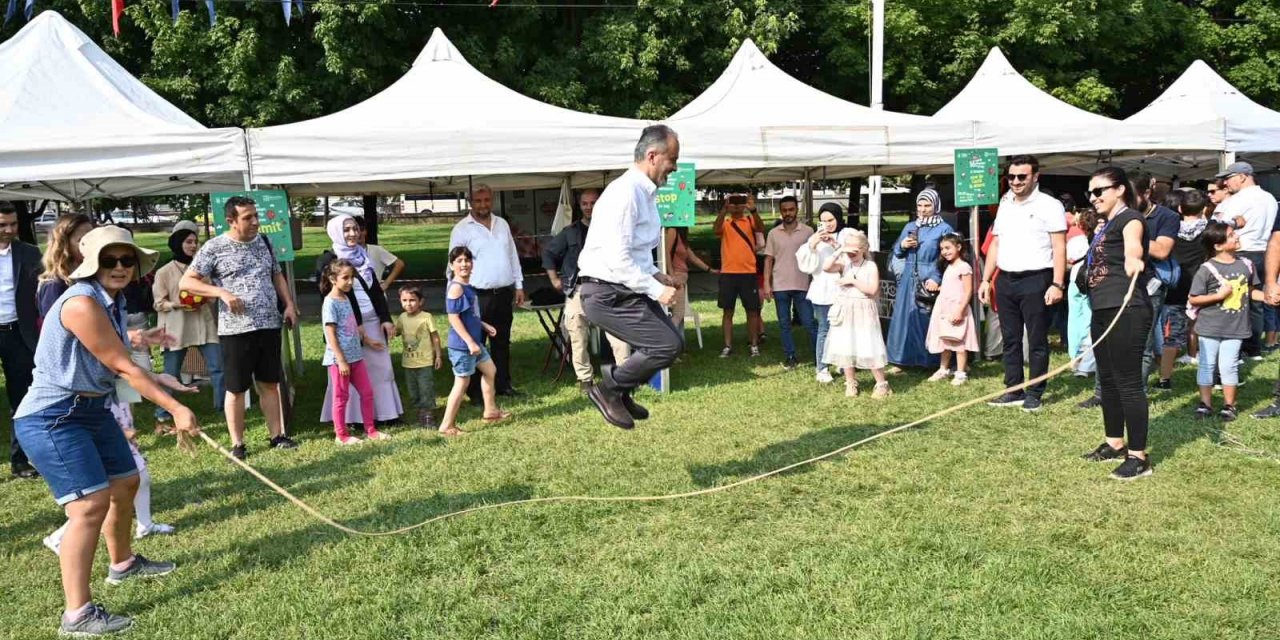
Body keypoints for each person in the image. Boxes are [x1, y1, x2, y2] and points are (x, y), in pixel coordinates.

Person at [14, 225, 199, 636]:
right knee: (88, 507)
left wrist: (157, 377)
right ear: (91, 264)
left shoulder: (111, 301)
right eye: (109, 260)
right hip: (54, 416)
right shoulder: (81, 303)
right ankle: (77, 615)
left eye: (127, 260)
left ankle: (123, 563)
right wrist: (175, 409)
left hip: (92, 408)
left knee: (126, 481)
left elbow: (110, 361)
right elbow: (122, 365)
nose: (119, 267)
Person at [577, 124, 684, 430]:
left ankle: (620, 392)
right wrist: (655, 290)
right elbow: (617, 258)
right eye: (672, 160)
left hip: (622, 288)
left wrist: (656, 275)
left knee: (672, 342)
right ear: (652, 156)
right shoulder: (626, 193)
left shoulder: (644, 193)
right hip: (606, 293)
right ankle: (608, 390)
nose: (675, 168)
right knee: (665, 345)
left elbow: (635, 252)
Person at [180, 196, 299, 460]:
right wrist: (221, 292)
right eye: (248, 218)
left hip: (268, 324)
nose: (255, 222)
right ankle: (238, 444)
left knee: (270, 383)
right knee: (236, 388)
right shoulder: (214, 247)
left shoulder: (264, 242)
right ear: (231, 221)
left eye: (256, 216)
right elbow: (187, 282)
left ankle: (277, 436)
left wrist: (289, 304)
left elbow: (276, 274)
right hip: (236, 330)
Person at [1078, 167, 1153, 481]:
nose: (1093, 198)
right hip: (1103, 307)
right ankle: (1114, 441)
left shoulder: (1130, 219)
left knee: (1128, 383)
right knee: (1107, 379)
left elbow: (1133, 244)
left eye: (1099, 191)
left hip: (1127, 309)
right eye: (1090, 193)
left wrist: (1134, 259)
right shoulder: (1105, 224)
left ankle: (1138, 457)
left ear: (1120, 189)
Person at [979, 155, 1067, 413]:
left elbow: (1059, 247)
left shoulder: (1050, 205)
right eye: (1011, 177)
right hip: (1006, 279)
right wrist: (986, 279)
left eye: (1022, 176)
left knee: (1037, 339)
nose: (1016, 181)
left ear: (1035, 176)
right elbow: (996, 243)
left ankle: (1035, 392)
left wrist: (1057, 284)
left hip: (1036, 279)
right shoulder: (1005, 203)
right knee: (1010, 338)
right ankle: (1013, 389)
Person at [318, 215, 404, 429]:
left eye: (355, 228)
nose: (352, 233)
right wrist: (356, 326)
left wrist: (385, 318)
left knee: (381, 368)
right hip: (347, 327)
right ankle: (352, 418)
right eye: (346, 230)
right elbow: (331, 298)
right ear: (336, 232)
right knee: (349, 371)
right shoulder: (328, 260)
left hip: (373, 321)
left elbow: (376, 291)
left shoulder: (362, 256)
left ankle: (385, 413)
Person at [543, 188, 631, 390]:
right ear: (580, 205)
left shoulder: (613, 229)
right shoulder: (570, 232)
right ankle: (585, 379)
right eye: (585, 203)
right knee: (577, 335)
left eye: (593, 203)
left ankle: (626, 375)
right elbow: (548, 253)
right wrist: (554, 279)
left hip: (607, 287)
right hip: (578, 289)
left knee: (618, 333)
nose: (589, 207)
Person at [447, 183, 524, 399]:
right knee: (475, 341)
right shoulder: (462, 229)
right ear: (470, 202)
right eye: (478, 201)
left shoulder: (502, 224)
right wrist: (455, 292)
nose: (483, 204)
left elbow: (512, 255)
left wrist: (519, 284)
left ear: (493, 200)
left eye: (487, 200)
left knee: (502, 341)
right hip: (475, 295)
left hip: (503, 293)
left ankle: (503, 385)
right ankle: (474, 392)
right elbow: (453, 263)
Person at [1188, 222, 1264, 421]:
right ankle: (1205, 403)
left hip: (1236, 326)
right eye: (1231, 235)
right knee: (1207, 365)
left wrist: (1266, 297)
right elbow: (1194, 298)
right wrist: (1218, 296)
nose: (1236, 236)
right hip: (1210, 327)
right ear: (1218, 245)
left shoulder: (1246, 265)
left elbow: (1249, 291)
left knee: (1229, 365)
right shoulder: (1206, 269)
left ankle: (1230, 405)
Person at [152, 226, 224, 433]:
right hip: (176, 327)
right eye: (188, 242)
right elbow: (158, 303)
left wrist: (207, 296)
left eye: (195, 242)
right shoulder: (164, 271)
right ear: (178, 244)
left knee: (218, 368)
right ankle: (163, 411)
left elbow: (211, 295)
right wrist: (176, 304)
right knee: (171, 373)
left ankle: (222, 406)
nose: (193, 246)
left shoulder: (200, 270)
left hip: (203, 325)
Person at [438, 246, 510, 436]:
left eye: (467, 260)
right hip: (463, 346)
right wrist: (470, 342)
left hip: (475, 343)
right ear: (451, 265)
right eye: (459, 261)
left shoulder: (467, 286)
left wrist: (483, 325)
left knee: (490, 370)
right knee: (462, 383)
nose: (464, 264)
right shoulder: (456, 288)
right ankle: (447, 425)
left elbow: (469, 314)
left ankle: (491, 411)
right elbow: (454, 318)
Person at [320, 259, 390, 444]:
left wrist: (367, 340)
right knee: (341, 397)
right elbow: (330, 334)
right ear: (333, 279)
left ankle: (371, 430)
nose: (350, 281)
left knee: (367, 392)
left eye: (352, 277)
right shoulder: (330, 303)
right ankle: (341, 435)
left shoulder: (346, 298)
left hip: (356, 357)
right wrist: (341, 360)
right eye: (345, 278)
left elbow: (351, 326)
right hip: (340, 361)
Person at [1214, 162, 1278, 359]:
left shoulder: (1236, 200)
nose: (1226, 183)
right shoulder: (1270, 198)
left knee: (1235, 301)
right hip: (1264, 252)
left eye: (1228, 178)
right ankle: (1254, 348)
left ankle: (1238, 347)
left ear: (1242, 176)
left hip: (1241, 252)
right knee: (1256, 303)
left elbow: (1218, 225)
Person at [888, 188, 954, 370]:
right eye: (920, 205)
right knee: (905, 319)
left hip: (929, 277)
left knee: (927, 318)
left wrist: (936, 278)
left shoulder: (944, 228)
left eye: (927, 205)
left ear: (936, 206)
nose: (923, 209)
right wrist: (902, 245)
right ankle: (902, 359)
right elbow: (897, 253)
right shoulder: (910, 226)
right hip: (908, 277)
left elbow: (947, 256)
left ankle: (929, 361)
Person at [0, 203, 43, 479]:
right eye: (2, 225)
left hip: (18, 333)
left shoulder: (29, 253)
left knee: (22, 397)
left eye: (13, 224)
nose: (9, 230)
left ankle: (20, 460)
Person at [821, 230, 890, 398]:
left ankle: (881, 383)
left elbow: (872, 290)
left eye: (855, 249)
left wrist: (852, 281)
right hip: (846, 308)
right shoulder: (844, 263)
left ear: (864, 249)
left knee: (868, 345)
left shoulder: (870, 266)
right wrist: (839, 250)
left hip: (864, 309)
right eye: (848, 248)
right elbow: (826, 267)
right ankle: (850, 382)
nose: (851, 253)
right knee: (846, 345)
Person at [1157, 189, 1209, 387]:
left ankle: (1164, 379)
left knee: (1172, 335)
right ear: (1204, 209)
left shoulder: (1170, 229)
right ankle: (1213, 376)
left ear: (1180, 208)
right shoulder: (1210, 229)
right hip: (1202, 286)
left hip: (1175, 286)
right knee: (1208, 331)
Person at [762, 196, 816, 369]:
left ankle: (819, 356)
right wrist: (766, 284)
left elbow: (816, 257)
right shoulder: (773, 233)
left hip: (803, 284)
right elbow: (768, 260)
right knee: (784, 324)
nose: (788, 213)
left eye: (791, 209)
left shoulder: (808, 232)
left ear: (797, 210)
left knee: (809, 323)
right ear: (780, 212)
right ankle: (790, 356)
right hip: (780, 286)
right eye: (784, 210)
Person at [796, 204, 847, 383]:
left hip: (845, 288)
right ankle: (822, 367)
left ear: (838, 218)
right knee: (824, 328)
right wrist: (812, 245)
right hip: (823, 290)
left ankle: (842, 362)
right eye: (823, 221)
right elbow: (806, 265)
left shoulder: (846, 234)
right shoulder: (814, 239)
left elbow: (854, 257)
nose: (827, 224)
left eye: (830, 220)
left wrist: (835, 245)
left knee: (843, 328)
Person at [715, 193, 765, 358]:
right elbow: (716, 229)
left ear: (744, 204)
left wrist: (753, 210)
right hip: (728, 273)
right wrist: (723, 210)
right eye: (733, 202)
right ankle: (727, 345)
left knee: (752, 311)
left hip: (748, 272)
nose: (736, 206)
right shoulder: (726, 222)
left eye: (739, 202)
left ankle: (754, 344)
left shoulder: (750, 220)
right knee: (727, 311)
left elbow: (760, 228)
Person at [925, 233, 978, 385]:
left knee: (959, 342)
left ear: (959, 247)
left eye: (948, 248)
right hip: (944, 308)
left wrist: (960, 310)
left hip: (957, 308)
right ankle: (943, 369)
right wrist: (938, 288)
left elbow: (967, 291)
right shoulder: (949, 266)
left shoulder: (964, 267)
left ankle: (961, 372)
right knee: (945, 340)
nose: (944, 252)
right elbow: (951, 285)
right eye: (942, 249)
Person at [394, 285, 442, 428]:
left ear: (421, 301)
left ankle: (428, 415)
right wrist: (390, 330)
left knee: (426, 389)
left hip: (424, 362)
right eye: (404, 300)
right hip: (408, 363)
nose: (408, 304)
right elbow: (397, 331)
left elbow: (435, 337)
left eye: (412, 300)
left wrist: (438, 355)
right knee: (413, 391)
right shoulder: (402, 318)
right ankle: (420, 411)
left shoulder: (426, 317)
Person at [662, 225, 717, 332]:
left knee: (679, 315)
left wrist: (710, 270)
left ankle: (678, 340)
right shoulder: (673, 231)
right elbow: (666, 252)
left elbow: (692, 257)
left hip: (682, 278)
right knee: (678, 315)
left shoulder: (682, 235)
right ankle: (667, 337)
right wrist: (672, 275)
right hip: (677, 278)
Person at [1067, 207, 1100, 377]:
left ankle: (1074, 356)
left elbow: (1068, 260)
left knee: (1074, 319)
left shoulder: (1075, 240)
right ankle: (1085, 357)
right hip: (1091, 281)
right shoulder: (1100, 239)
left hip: (1075, 280)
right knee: (1088, 320)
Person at [352, 215, 405, 291]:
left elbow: (399, 264)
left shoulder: (376, 250)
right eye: (355, 230)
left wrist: (386, 283)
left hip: (375, 293)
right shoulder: (345, 253)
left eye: (362, 229)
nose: (359, 233)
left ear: (366, 231)